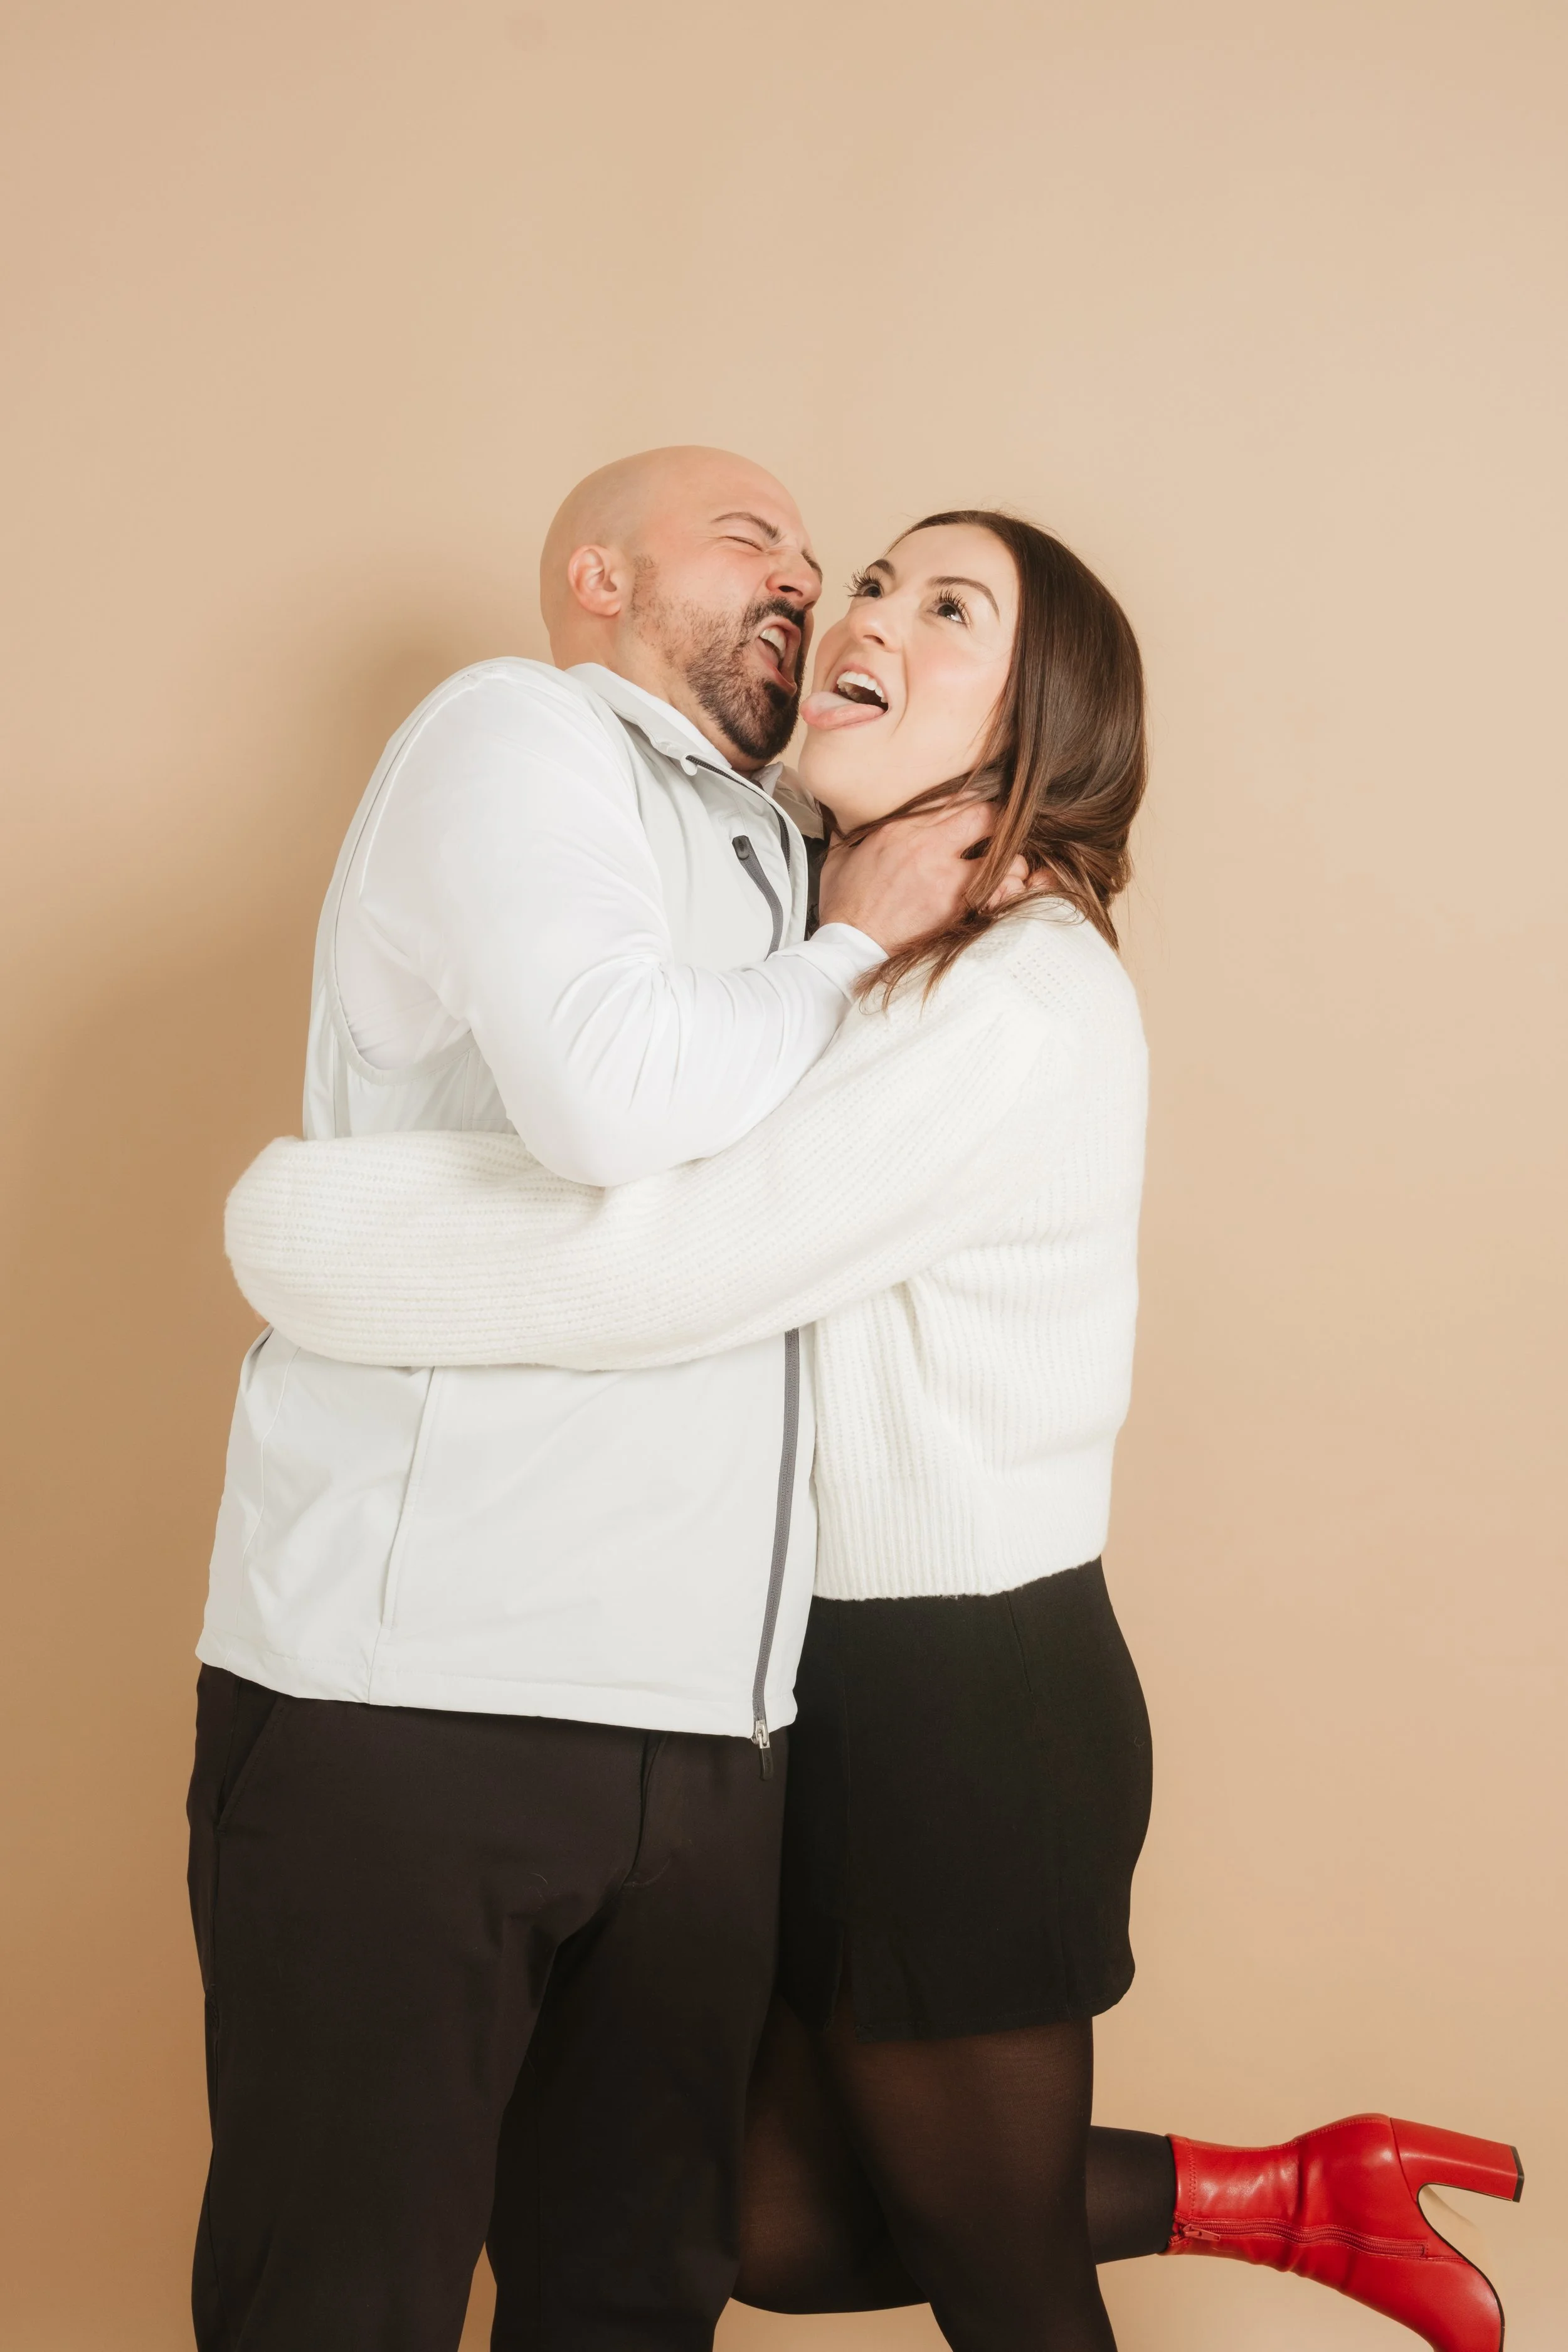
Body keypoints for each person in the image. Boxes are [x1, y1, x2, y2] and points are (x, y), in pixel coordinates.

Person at [230, 510, 1523, 2352]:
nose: (862, 612)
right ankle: (1292, 2191)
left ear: (1032, 723)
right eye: (870, 583)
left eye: (947, 607)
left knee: (998, 2282)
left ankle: (1301, 2197)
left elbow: (665, 1266)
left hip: (961, 1699)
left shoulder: (1017, 993)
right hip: (786, 1678)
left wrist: (299, 1225)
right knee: (756, 2214)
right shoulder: (857, 960)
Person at [188, 447, 1007, 2352]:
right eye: (748, 542)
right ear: (595, 581)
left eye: (821, 560)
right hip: (410, 1707)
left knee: (632, 2303)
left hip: (707, 1729)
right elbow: (609, 1101)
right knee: (340, 2303)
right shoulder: (518, 735)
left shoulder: (793, 842)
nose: (803, 581)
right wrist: (847, 943)